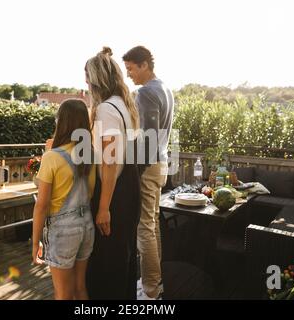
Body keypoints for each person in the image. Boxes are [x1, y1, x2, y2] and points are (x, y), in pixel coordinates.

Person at [85, 47, 141, 299]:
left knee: (107, 264)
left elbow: (109, 163)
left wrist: (103, 207)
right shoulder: (124, 105)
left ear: (97, 79)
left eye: (87, 76)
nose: (85, 82)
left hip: (114, 193)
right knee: (124, 259)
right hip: (130, 188)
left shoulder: (107, 109)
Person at [123, 46, 174, 300]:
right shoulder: (166, 89)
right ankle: (155, 282)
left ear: (144, 65)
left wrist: (136, 170)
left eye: (131, 68)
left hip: (148, 166)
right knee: (152, 226)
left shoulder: (145, 93)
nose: (129, 74)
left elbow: (148, 138)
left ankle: (151, 291)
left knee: (144, 228)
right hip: (161, 164)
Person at [32, 99, 96, 300]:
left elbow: (41, 205)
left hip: (64, 230)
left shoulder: (52, 157)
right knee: (80, 288)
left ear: (62, 122)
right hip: (87, 226)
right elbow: (91, 194)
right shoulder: (90, 155)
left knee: (62, 293)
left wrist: (35, 243)